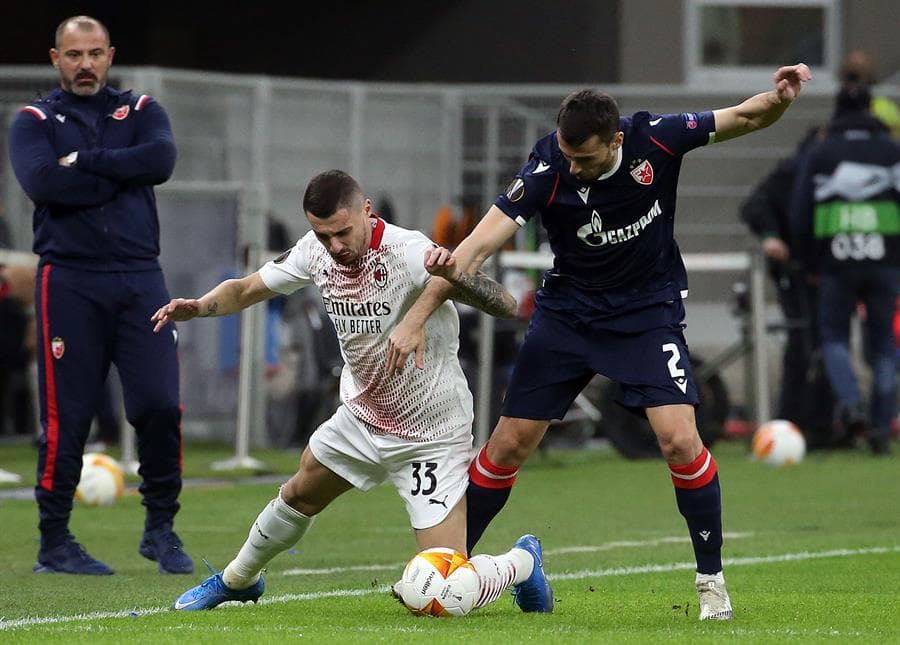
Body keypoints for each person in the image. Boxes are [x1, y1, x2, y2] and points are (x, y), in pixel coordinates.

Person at [386, 63, 814, 622]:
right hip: (568, 316)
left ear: (616, 141)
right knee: (508, 445)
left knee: (680, 441)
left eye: (585, 159)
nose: (575, 168)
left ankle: (711, 582)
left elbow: (746, 115)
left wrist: (782, 98)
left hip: (646, 315)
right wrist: (416, 317)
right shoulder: (546, 168)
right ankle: (450, 570)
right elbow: (473, 249)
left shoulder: (658, 137)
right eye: (568, 156)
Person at [153, 170, 553, 613]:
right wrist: (200, 307)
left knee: (444, 592)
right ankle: (238, 581)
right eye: (324, 235)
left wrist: (456, 275)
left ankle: (521, 562)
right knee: (299, 492)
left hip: (430, 433)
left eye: (342, 232)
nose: (335, 246)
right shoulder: (314, 251)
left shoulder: (410, 250)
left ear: (366, 211)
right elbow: (246, 289)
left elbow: (505, 304)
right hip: (362, 417)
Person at [7, 16, 192, 575]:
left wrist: (85, 163)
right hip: (69, 279)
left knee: (160, 404)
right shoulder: (33, 120)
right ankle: (54, 542)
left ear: (110, 55)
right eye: (73, 54)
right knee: (70, 418)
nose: (84, 64)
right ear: (54, 58)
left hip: (140, 278)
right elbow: (42, 183)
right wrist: (122, 172)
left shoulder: (141, 111)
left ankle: (160, 528)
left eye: (94, 53)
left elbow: (159, 161)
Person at [790, 83, 900, 456]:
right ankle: (882, 428)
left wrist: (808, 262)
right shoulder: (893, 152)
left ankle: (852, 406)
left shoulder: (822, 153)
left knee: (834, 337)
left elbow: (801, 213)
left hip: (836, 263)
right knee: (884, 343)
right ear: (871, 109)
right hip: (885, 261)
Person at [739, 125, 834, 448]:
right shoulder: (794, 171)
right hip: (796, 274)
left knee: (825, 346)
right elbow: (754, 206)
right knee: (803, 347)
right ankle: (795, 421)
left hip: (826, 273)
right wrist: (770, 236)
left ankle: (822, 423)